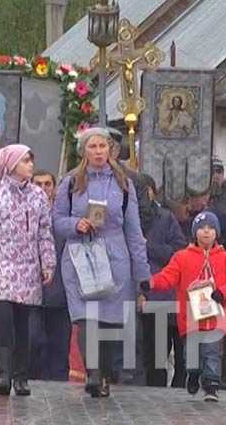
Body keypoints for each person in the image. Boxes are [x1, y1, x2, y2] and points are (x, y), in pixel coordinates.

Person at [53, 128, 149, 398]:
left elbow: (133, 229)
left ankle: (104, 373)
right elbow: (57, 220)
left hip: (115, 255)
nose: (98, 151)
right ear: (84, 151)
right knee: (87, 318)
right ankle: (93, 372)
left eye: (102, 146)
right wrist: (76, 224)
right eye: (92, 146)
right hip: (81, 254)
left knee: (109, 320)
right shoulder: (71, 183)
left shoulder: (123, 184)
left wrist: (142, 274)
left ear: (110, 150)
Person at [0, 144, 56, 396]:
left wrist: (48, 263)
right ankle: (3, 373)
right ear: (11, 163)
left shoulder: (38, 195)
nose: (30, 164)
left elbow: (45, 233)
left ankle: (21, 376)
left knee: (23, 322)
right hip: (0, 266)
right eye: (25, 160)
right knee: (4, 318)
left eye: (31, 159)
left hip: (27, 268)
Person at [144, 211, 226, 402]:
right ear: (195, 232)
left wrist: (223, 293)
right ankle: (194, 373)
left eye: (211, 228)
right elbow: (169, 276)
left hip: (216, 317)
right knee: (190, 354)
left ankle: (211, 385)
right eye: (202, 228)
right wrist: (152, 283)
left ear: (217, 233)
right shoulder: (182, 257)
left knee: (212, 351)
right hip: (190, 318)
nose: (206, 232)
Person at [137, 174, 188, 387]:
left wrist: (148, 246)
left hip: (165, 295)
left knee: (177, 353)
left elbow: (178, 251)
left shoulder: (166, 218)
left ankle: (178, 391)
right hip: (140, 293)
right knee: (152, 356)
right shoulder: (125, 218)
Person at [28, 170, 71, 381]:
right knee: (33, 340)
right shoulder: (23, 213)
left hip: (60, 291)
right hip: (31, 291)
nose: (43, 189)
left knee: (59, 345)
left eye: (47, 184)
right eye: (38, 184)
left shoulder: (63, 218)